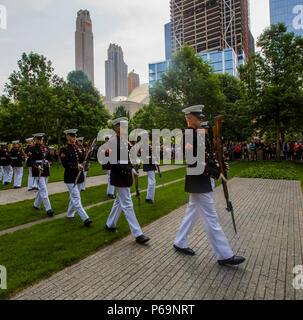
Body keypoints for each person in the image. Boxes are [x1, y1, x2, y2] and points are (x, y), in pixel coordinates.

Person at [173, 105, 245, 266]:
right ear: (190, 118)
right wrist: (214, 173)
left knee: (192, 212)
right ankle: (224, 255)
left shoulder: (197, 136)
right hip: (198, 180)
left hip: (200, 180)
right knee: (211, 218)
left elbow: (206, 157)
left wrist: (219, 168)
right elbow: (195, 161)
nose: (201, 120)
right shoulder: (189, 136)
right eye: (198, 117)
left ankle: (180, 241)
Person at [104, 117, 150, 244]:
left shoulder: (126, 142)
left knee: (120, 201)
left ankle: (110, 224)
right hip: (119, 176)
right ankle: (138, 233)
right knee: (128, 203)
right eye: (122, 126)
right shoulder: (112, 142)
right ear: (116, 128)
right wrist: (129, 170)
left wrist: (136, 162)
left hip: (126, 176)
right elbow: (114, 163)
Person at [59, 129, 92, 227]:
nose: (74, 137)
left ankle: (70, 214)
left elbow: (83, 161)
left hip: (79, 176)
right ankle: (85, 218)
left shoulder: (79, 148)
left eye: (75, 136)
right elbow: (65, 164)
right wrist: (76, 166)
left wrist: (86, 164)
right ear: (67, 137)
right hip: (70, 177)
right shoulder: (64, 150)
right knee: (76, 197)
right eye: (72, 135)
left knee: (74, 197)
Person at [28, 133, 54, 217]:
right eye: (38, 139)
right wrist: (37, 166)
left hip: (45, 170)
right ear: (35, 139)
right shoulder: (32, 149)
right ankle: (49, 209)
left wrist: (49, 163)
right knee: (43, 190)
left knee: (41, 189)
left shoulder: (45, 148)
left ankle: (36, 205)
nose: (40, 141)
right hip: (38, 171)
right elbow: (30, 161)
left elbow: (50, 159)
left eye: (41, 139)